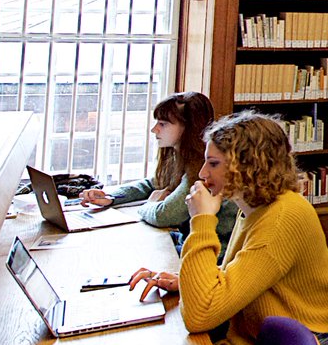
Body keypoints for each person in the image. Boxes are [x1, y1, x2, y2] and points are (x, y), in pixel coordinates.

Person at [130, 110, 328, 345]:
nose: (203, 174)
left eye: (213, 163)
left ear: (247, 167)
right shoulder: (256, 206)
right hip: (269, 334)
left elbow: (199, 316)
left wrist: (202, 221)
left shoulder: (280, 220)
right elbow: (242, 272)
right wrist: (186, 281)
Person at [80, 91, 237, 252]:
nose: (154, 130)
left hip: (211, 253)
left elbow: (165, 215)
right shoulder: (178, 156)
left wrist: (149, 204)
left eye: (163, 124)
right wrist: (111, 197)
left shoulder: (201, 169)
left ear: (188, 127)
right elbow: (153, 183)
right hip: (188, 243)